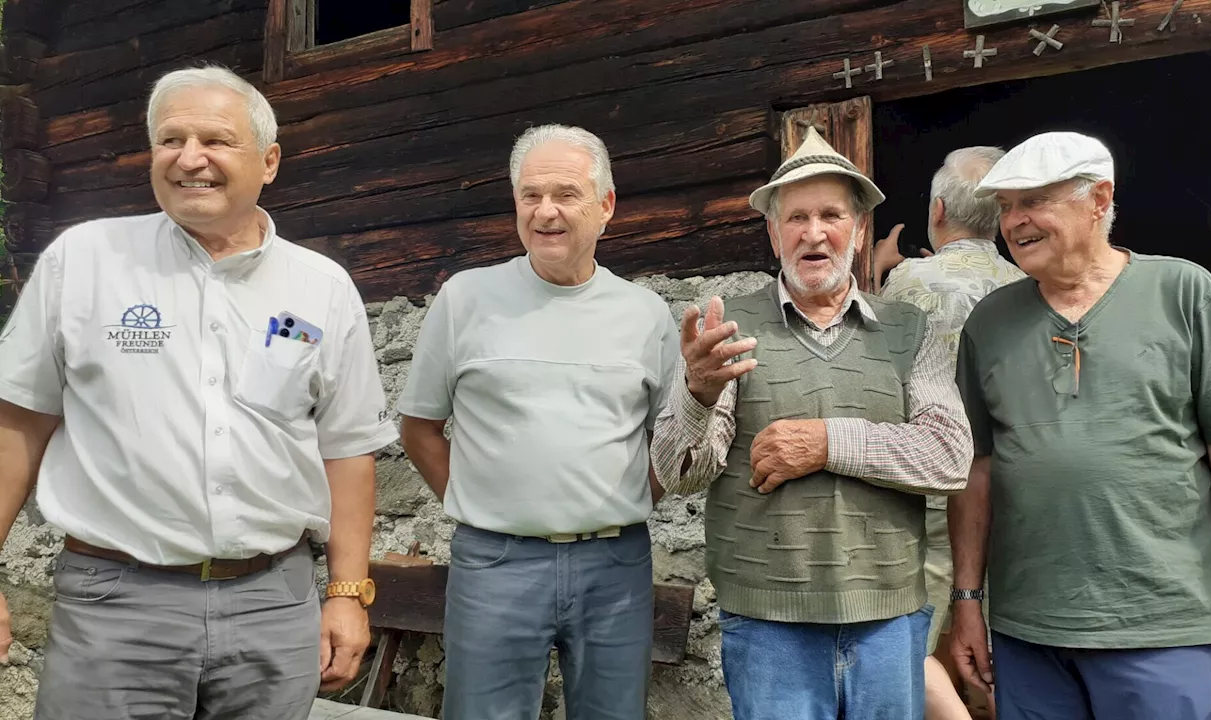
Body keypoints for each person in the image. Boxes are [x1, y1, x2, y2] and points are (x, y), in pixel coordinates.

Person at [0, 64, 397, 719]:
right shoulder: (86, 262)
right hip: (116, 604)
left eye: (215, 140)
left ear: (269, 161)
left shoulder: (320, 288)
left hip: (273, 604)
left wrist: (347, 593)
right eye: (169, 140)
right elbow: (18, 423)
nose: (190, 159)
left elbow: (348, 449)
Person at [949, 131, 1211, 720]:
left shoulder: (1184, 293)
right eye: (1004, 208)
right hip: (1028, 635)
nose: (1014, 222)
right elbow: (978, 466)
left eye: (1033, 202)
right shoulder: (990, 321)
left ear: (1099, 199)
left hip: (1161, 629)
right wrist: (967, 600)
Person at [651, 126, 974, 720]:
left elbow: (949, 457)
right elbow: (679, 475)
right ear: (774, 234)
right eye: (796, 217)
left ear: (856, 230)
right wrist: (698, 392)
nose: (813, 231)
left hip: (889, 620)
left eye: (830, 214)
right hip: (770, 624)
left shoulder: (909, 329)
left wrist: (828, 443)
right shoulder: (729, 327)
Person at [396, 123, 680, 720]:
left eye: (565, 194)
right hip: (494, 563)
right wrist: (484, 503)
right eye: (530, 195)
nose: (545, 211)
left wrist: (626, 497)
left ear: (605, 205)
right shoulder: (464, 299)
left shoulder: (646, 313)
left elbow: (671, 437)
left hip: (616, 564)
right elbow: (419, 428)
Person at [873, 146, 1025, 720]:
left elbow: (875, 365)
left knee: (924, 637)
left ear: (938, 210)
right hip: (1010, 492)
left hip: (936, 494)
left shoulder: (911, 279)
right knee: (990, 634)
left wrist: (879, 272)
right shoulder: (1025, 283)